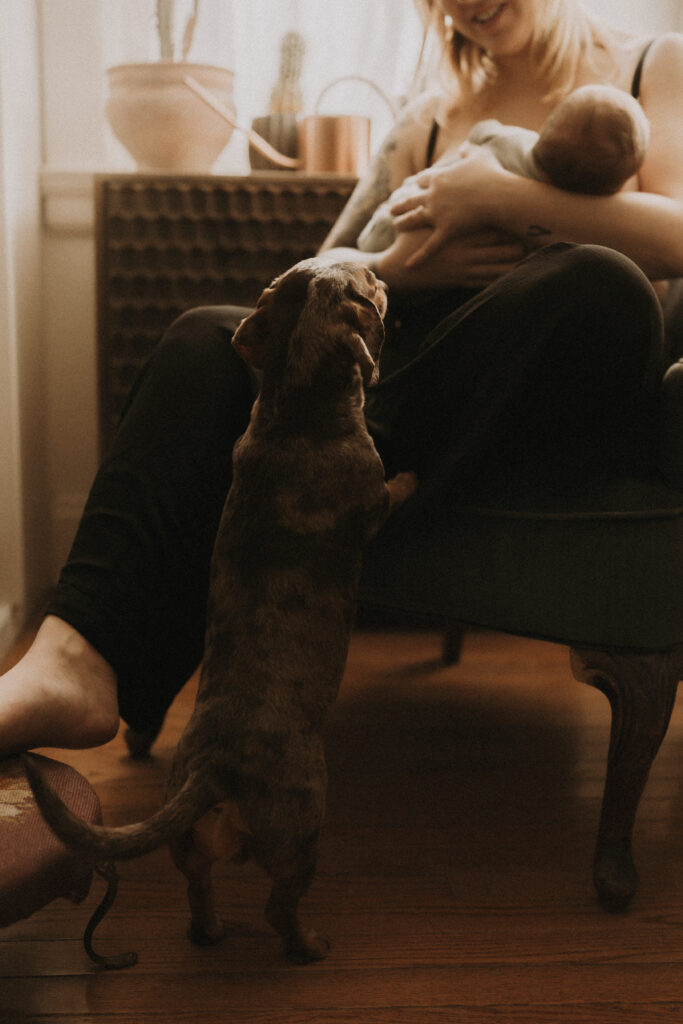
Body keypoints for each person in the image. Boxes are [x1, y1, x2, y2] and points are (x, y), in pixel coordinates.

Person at [3, 0, 683, 759]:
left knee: (603, 285)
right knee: (203, 339)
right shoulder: (430, 118)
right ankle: (70, 662)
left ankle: (311, 460)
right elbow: (317, 279)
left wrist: (502, 199)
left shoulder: (652, 64)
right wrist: (400, 267)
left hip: (555, 391)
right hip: (413, 394)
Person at [357, 83, 650, 252]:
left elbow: (481, 132)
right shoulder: (555, 219)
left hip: (401, 215)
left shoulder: (513, 139)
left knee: (387, 225)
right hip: (413, 231)